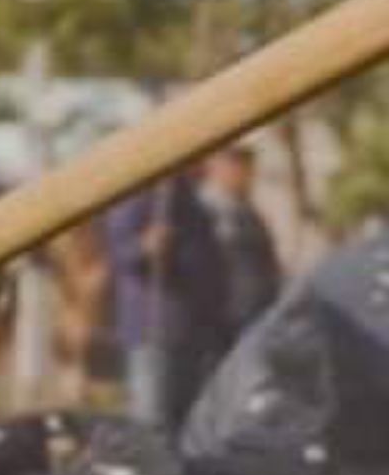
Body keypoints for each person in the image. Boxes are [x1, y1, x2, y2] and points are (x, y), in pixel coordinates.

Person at [102, 171, 227, 433]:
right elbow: (117, 254)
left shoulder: (189, 198)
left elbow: (209, 260)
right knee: (151, 419)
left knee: (185, 419)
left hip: (191, 329)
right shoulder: (138, 197)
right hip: (153, 325)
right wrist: (143, 247)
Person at [200, 145, 284, 345]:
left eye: (248, 165)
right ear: (215, 167)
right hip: (228, 312)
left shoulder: (248, 209)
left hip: (259, 306)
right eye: (237, 164)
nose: (247, 173)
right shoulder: (206, 209)